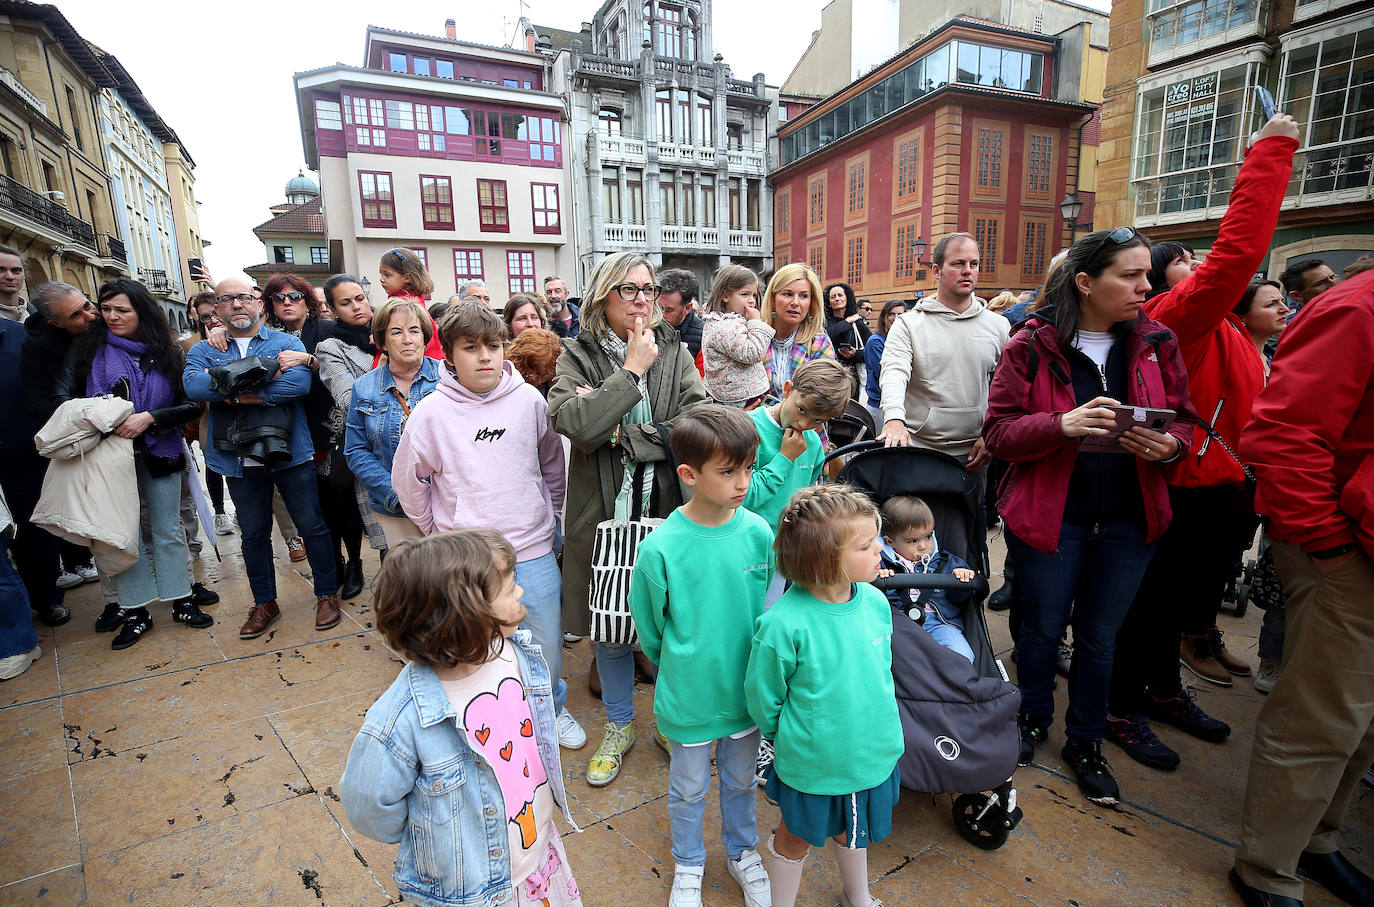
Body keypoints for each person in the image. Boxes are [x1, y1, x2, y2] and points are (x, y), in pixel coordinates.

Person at [1102, 115, 1301, 776]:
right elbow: (1237, 255)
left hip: (1220, 486)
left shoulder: (1234, 334)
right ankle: (1121, 706)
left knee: (1181, 604)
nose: (1200, 273)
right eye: (1183, 267)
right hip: (1178, 484)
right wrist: (1270, 152)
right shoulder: (1180, 316)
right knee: (1151, 606)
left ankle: (1162, 690)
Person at [983, 226, 1196, 805]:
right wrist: (1061, 424)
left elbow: (1185, 420)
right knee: (1042, 630)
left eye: (1145, 275)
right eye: (1129, 275)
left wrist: (1171, 446)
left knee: (1101, 639)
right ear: (1085, 282)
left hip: (1130, 521)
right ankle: (1030, 719)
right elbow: (999, 431)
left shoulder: (1156, 342)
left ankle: (1085, 740)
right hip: (1054, 518)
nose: (1144, 286)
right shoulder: (1031, 342)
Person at [1230, 267, 1374, 907]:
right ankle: (1268, 867)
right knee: (1322, 715)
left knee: (1363, 721)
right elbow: (1284, 434)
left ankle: (1318, 842)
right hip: (1346, 552)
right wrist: (1330, 546)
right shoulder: (1356, 308)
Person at [341, 530, 583, 907]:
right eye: (508, 588)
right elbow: (367, 806)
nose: (519, 592)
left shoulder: (516, 657)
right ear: (464, 617)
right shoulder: (401, 721)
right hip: (471, 889)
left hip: (536, 857)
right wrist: (436, 832)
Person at [391, 302, 582, 750]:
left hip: (531, 546)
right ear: (450, 356)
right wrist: (439, 532)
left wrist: (552, 515)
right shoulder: (430, 415)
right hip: (468, 556)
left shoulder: (530, 400)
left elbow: (552, 464)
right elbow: (409, 481)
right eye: (471, 348)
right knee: (476, 642)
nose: (484, 357)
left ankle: (551, 708)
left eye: (493, 346)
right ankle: (492, 715)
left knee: (544, 639)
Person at [547, 252, 707, 787]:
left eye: (648, 288)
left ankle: (666, 721)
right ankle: (619, 726)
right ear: (601, 299)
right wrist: (631, 372)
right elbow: (575, 423)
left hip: (667, 512)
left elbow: (696, 423)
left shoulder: (677, 351)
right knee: (611, 629)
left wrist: (624, 435)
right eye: (628, 289)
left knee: (668, 627)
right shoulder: (577, 355)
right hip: (604, 517)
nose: (643, 299)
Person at [628, 406, 774, 907]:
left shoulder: (760, 533)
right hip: (690, 690)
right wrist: (680, 666)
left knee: (740, 778)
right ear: (689, 475)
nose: (742, 482)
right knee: (687, 786)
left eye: (749, 468)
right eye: (728, 470)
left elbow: (771, 611)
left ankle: (742, 851)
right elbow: (650, 629)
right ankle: (688, 861)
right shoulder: (661, 548)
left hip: (746, 689)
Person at [746, 485, 903, 907]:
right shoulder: (783, 623)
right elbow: (764, 697)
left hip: (871, 752)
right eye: (867, 544)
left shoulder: (875, 602)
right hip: (814, 762)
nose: (880, 550)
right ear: (825, 557)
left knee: (854, 829)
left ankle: (859, 896)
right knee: (795, 836)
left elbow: (880, 672)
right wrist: (793, 736)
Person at [54, 279, 209, 648]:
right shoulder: (88, 350)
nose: (111, 317)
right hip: (108, 457)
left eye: (121, 310)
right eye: (106, 309)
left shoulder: (167, 351)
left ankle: (181, 598)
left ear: (142, 312)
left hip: (161, 451)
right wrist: (100, 416)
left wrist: (151, 417)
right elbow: (63, 397)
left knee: (169, 529)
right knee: (124, 537)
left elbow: (190, 405)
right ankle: (136, 610)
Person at [184, 276, 341, 639]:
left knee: (312, 527)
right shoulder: (204, 350)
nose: (237, 304)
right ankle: (264, 603)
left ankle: (326, 595)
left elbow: (297, 386)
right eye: (227, 299)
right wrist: (260, 381)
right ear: (218, 309)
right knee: (253, 534)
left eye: (243, 297)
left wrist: (228, 389)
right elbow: (193, 386)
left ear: (257, 303)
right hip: (237, 458)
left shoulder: (286, 341)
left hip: (290, 451)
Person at [879, 233, 1009, 509]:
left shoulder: (998, 327)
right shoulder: (909, 324)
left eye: (974, 264)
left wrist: (992, 433)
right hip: (919, 449)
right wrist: (893, 418)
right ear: (936, 271)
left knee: (967, 538)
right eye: (958, 263)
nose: (967, 271)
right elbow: (894, 372)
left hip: (974, 453)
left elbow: (1007, 387)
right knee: (914, 539)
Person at [265, 272, 362, 593]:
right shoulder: (267, 338)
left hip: (331, 429)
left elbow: (354, 362)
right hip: (292, 432)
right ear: (271, 305)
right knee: (314, 508)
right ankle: (334, 564)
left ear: (308, 301)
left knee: (341, 501)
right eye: (280, 298)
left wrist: (310, 360)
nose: (288, 303)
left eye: (295, 296)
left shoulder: (326, 330)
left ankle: (355, 566)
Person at [20, 281, 101, 597]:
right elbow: (37, 402)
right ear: (55, 322)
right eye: (77, 314)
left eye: (87, 304)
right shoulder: (38, 349)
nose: (90, 315)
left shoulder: (104, 321)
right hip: (80, 438)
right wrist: (89, 409)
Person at [343, 298, 442, 548]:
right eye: (396, 332)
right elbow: (356, 450)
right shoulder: (364, 387)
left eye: (414, 331)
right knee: (409, 579)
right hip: (395, 507)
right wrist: (397, 494)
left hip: (446, 504)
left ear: (425, 337)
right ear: (383, 341)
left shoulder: (448, 379)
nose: (407, 339)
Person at [316, 275, 386, 594]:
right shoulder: (331, 347)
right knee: (387, 532)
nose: (357, 306)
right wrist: (385, 365)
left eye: (359, 297)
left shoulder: (388, 328)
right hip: (366, 444)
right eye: (346, 302)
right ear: (332, 309)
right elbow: (346, 399)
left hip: (408, 443)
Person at [744, 358, 851, 531]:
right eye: (801, 409)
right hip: (749, 542)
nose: (803, 424)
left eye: (817, 420)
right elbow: (742, 497)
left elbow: (802, 501)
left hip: (788, 545)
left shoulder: (814, 443)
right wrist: (785, 458)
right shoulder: (747, 429)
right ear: (787, 390)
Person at [877, 494, 976, 663]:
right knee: (895, 660)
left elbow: (960, 599)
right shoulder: (880, 563)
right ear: (890, 542)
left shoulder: (945, 562)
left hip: (939, 622)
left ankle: (951, 685)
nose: (923, 546)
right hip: (898, 624)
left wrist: (961, 579)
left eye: (928, 537)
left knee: (963, 656)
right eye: (913, 541)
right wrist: (878, 580)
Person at [759, 263, 836, 403]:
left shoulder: (818, 342)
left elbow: (827, 395)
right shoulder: (756, 337)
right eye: (788, 294)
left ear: (811, 303)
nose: (795, 302)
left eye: (803, 296)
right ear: (772, 298)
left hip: (806, 422)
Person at [700, 265, 770, 407]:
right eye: (745, 294)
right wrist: (756, 323)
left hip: (742, 393)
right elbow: (753, 353)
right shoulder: (724, 327)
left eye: (754, 295)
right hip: (738, 398)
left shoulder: (728, 322)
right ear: (725, 296)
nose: (751, 301)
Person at [378, 247, 445, 360]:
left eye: (387, 275)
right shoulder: (415, 298)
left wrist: (377, 339)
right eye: (381, 274)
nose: (382, 279)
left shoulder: (403, 306)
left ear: (407, 277)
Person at [862, 301, 906, 428]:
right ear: (884, 318)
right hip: (880, 406)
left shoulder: (905, 342)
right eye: (891, 314)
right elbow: (884, 374)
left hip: (901, 405)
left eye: (900, 314)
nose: (896, 318)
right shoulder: (876, 342)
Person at [823, 282, 871, 400]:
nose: (837, 299)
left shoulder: (857, 323)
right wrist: (846, 322)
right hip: (830, 376)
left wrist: (856, 354)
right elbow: (827, 336)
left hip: (854, 378)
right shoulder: (824, 322)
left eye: (840, 295)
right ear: (828, 302)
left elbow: (874, 349)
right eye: (833, 297)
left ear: (847, 298)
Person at [658, 268, 703, 359]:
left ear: (687, 308)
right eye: (657, 307)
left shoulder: (704, 337)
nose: (659, 315)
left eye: (667, 310)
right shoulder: (647, 327)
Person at [507, 327, 562, 396]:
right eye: (530, 374)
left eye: (543, 376)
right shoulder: (507, 383)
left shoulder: (558, 386)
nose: (538, 381)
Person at [0, 243, 27, 322]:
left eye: (16, 271)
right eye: (1, 270)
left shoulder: (42, 318)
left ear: (24, 275)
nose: (10, 277)